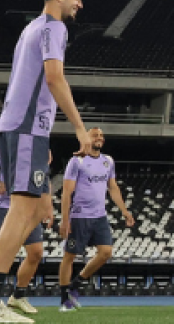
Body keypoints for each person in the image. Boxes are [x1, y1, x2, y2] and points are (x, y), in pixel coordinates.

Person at [0, 0, 96, 324]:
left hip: (15, 124)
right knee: (21, 212)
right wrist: (79, 128)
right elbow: (55, 77)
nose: (80, 4)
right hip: (27, 127)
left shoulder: (31, 28)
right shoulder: (55, 28)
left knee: (24, 212)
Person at [58, 127, 135, 311]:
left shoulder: (108, 161)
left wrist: (124, 210)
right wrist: (65, 219)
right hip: (79, 216)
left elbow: (113, 187)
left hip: (100, 215)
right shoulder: (77, 161)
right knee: (70, 256)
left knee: (106, 252)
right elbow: (67, 192)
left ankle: (75, 285)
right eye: (95, 135)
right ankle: (64, 300)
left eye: (101, 135)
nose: (99, 138)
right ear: (87, 139)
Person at [0, 149, 52, 315]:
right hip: (4, 207)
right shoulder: (8, 146)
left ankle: (18, 296)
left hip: (30, 208)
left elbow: (43, 177)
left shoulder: (43, 148)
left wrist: (48, 206)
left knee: (36, 253)